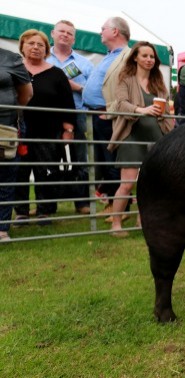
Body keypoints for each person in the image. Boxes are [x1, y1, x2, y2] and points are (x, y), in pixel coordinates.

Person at [107, 42, 172, 237]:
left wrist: (164, 117)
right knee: (126, 184)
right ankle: (116, 224)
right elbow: (121, 104)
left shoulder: (158, 81)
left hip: (156, 136)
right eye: (144, 56)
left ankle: (142, 221)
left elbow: (166, 110)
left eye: (152, 57)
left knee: (150, 184)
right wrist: (141, 110)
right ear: (135, 57)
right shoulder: (125, 78)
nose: (149, 60)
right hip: (132, 136)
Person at [14, 29, 75, 224]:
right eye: (31, 43)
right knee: (19, 172)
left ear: (47, 50)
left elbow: (68, 103)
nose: (36, 47)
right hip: (18, 131)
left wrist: (68, 129)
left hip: (48, 131)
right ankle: (21, 212)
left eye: (41, 45)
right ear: (22, 46)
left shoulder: (56, 74)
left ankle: (44, 210)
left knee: (47, 170)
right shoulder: (14, 69)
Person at [82, 17, 132, 216]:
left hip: (109, 116)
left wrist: (111, 111)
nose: (100, 32)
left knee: (112, 161)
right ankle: (113, 202)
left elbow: (127, 87)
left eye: (103, 28)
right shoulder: (110, 55)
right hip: (96, 114)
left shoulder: (128, 56)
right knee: (104, 161)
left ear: (115, 32)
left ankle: (120, 207)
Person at [46, 20, 94, 215]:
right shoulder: (42, 57)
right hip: (47, 115)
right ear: (53, 34)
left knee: (80, 158)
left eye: (69, 33)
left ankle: (82, 203)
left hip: (77, 115)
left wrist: (75, 86)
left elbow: (92, 93)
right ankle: (47, 205)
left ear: (74, 38)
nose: (65, 35)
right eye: (61, 31)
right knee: (48, 159)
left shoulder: (85, 64)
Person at [0, 48, 33, 241]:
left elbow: (26, 94)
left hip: (5, 129)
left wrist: (10, 113)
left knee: (5, 178)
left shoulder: (10, 58)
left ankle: (2, 228)